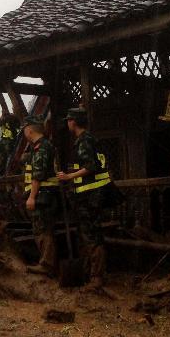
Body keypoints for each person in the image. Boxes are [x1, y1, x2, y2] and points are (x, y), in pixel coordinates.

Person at [57, 107, 112, 289]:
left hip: (90, 197)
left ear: (73, 121)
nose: (67, 123)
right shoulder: (90, 139)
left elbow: (91, 166)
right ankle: (91, 274)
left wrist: (68, 177)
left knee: (92, 236)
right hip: (91, 196)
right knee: (89, 234)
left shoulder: (84, 141)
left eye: (68, 120)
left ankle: (97, 278)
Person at [21, 116, 60, 275]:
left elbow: (38, 175)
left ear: (29, 130)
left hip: (43, 195)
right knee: (44, 229)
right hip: (47, 194)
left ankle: (47, 265)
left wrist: (32, 196)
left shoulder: (42, 148)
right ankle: (47, 263)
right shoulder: (41, 146)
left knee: (42, 230)